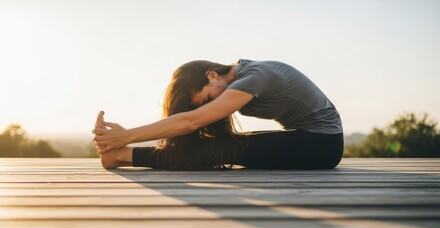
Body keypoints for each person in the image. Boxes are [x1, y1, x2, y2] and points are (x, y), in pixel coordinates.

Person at [93, 59, 344, 170]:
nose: (209, 106)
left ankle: (122, 155)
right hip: (310, 139)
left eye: (206, 99)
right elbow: (191, 118)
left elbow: (191, 121)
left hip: (321, 145)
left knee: (224, 150)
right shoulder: (246, 74)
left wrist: (126, 136)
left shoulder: (254, 78)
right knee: (225, 146)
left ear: (212, 75)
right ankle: (121, 155)